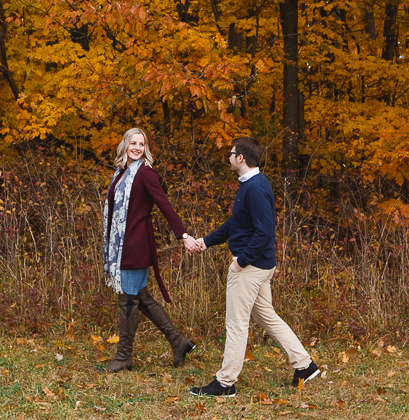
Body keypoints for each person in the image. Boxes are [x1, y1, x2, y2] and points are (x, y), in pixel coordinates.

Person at [184, 136, 319, 397]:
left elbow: (264, 231)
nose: (229, 157)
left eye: (231, 153)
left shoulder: (255, 187)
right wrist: (205, 242)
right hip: (260, 265)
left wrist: (241, 261)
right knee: (266, 316)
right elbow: (236, 224)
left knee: (236, 324)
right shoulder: (251, 184)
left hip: (250, 268)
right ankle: (305, 365)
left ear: (241, 157)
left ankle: (225, 383)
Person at [102, 127, 197, 372]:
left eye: (141, 144)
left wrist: (183, 235)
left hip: (136, 246)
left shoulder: (145, 174)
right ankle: (178, 342)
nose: (137, 148)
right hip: (121, 247)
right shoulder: (121, 173)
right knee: (139, 297)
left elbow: (164, 204)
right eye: (133, 143)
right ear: (125, 145)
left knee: (128, 300)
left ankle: (124, 356)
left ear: (146, 148)